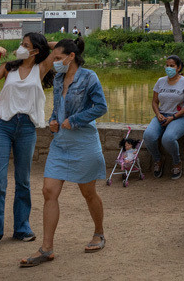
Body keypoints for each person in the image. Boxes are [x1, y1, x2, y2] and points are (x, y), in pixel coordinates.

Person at [20, 38, 107, 267]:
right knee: (48, 191)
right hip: (60, 143)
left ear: (71, 57)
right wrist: (53, 121)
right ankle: (46, 248)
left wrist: (75, 120)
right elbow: (58, 107)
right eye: (55, 58)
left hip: (84, 142)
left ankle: (99, 233)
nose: (55, 62)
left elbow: (101, 107)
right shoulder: (59, 78)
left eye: (58, 58)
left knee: (88, 192)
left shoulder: (89, 77)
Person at [0, 33, 53, 251]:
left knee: (23, 180)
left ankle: (22, 228)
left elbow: (65, 47)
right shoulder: (9, 68)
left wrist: (43, 44)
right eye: (21, 43)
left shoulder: (41, 68)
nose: (20, 47)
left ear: (35, 51)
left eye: (25, 45)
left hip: (27, 128)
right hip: (2, 126)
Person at [142, 55, 184, 179]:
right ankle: (158, 159)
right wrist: (158, 114)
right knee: (148, 136)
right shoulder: (160, 81)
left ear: (178, 67)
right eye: (167, 65)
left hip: (180, 118)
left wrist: (173, 117)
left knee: (168, 138)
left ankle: (177, 162)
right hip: (161, 116)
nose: (168, 68)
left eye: (172, 66)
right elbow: (154, 102)